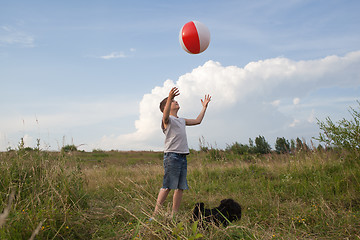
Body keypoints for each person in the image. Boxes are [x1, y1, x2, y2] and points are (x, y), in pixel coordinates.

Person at [152, 87, 211, 219]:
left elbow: (197, 121)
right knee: (167, 186)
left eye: (174, 100)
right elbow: (165, 115)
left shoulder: (181, 120)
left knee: (180, 187)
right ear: (166, 107)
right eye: (172, 101)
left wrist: (204, 107)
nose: (175, 102)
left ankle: (174, 214)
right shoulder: (167, 120)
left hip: (182, 156)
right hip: (171, 156)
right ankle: (155, 215)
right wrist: (169, 97)